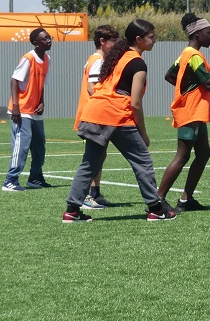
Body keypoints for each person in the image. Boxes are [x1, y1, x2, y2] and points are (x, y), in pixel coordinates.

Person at [62, 19, 174, 223]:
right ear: (138, 39)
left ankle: (72, 211)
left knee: (89, 164)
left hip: (94, 112)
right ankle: (156, 209)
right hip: (115, 115)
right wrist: (144, 133)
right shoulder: (138, 63)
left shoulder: (117, 56)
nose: (155, 40)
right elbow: (136, 103)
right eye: (151, 37)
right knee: (143, 162)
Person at [157, 13, 210, 213]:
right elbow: (208, 83)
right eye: (208, 33)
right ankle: (157, 199)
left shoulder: (184, 54)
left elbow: (169, 75)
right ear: (197, 34)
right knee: (182, 156)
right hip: (190, 112)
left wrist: (186, 88)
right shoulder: (194, 56)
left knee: (203, 153)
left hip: (196, 112)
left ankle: (186, 199)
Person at [74, 25, 119, 209]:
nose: (116, 45)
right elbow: (92, 87)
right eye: (113, 41)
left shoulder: (97, 59)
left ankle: (95, 193)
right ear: (102, 41)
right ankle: (85, 196)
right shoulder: (98, 60)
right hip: (93, 117)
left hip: (93, 116)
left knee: (99, 156)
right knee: (92, 158)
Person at [3, 28, 53, 192]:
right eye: (45, 38)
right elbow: (14, 81)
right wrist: (16, 106)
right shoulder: (28, 58)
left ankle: (35, 178)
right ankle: (10, 180)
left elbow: (41, 84)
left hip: (35, 110)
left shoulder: (47, 59)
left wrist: (42, 102)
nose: (49, 40)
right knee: (22, 145)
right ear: (35, 43)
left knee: (39, 146)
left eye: (49, 37)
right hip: (22, 110)